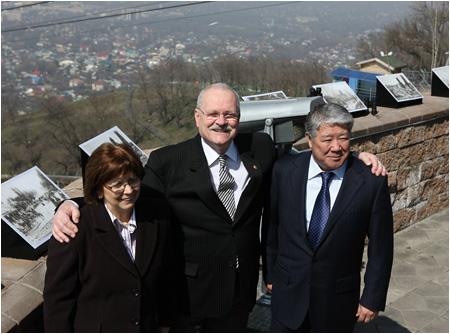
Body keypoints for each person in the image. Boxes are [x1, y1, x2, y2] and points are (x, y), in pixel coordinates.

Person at [52, 83, 387, 332]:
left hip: (238, 296)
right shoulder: (169, 161)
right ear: (198, 117)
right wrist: (73, 202)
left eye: (230, 114)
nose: (221, 122)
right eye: (213, 114)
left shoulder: (260, 147)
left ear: (239, 119)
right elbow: (128, 194)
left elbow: (310, 161)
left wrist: (354, 158)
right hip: (188, 297)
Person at [265, 103, 394, 333]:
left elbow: (381, 246)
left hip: (337, 304)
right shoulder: (284, 171)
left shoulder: (370, 181)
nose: (336, 147)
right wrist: (270, 275)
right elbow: (272, 227)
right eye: (327, 139)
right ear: (309, 138)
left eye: (343, 138)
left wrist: (372, 297)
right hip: (288, 297)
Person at [43, 143, 174, 333]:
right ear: (99, 188)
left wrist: (164, 324)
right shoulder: (75, 230)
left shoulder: (157, 217)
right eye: (117, 184)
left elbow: (168, 274)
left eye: (133, 180)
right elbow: (58, 300)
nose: (128, 190)